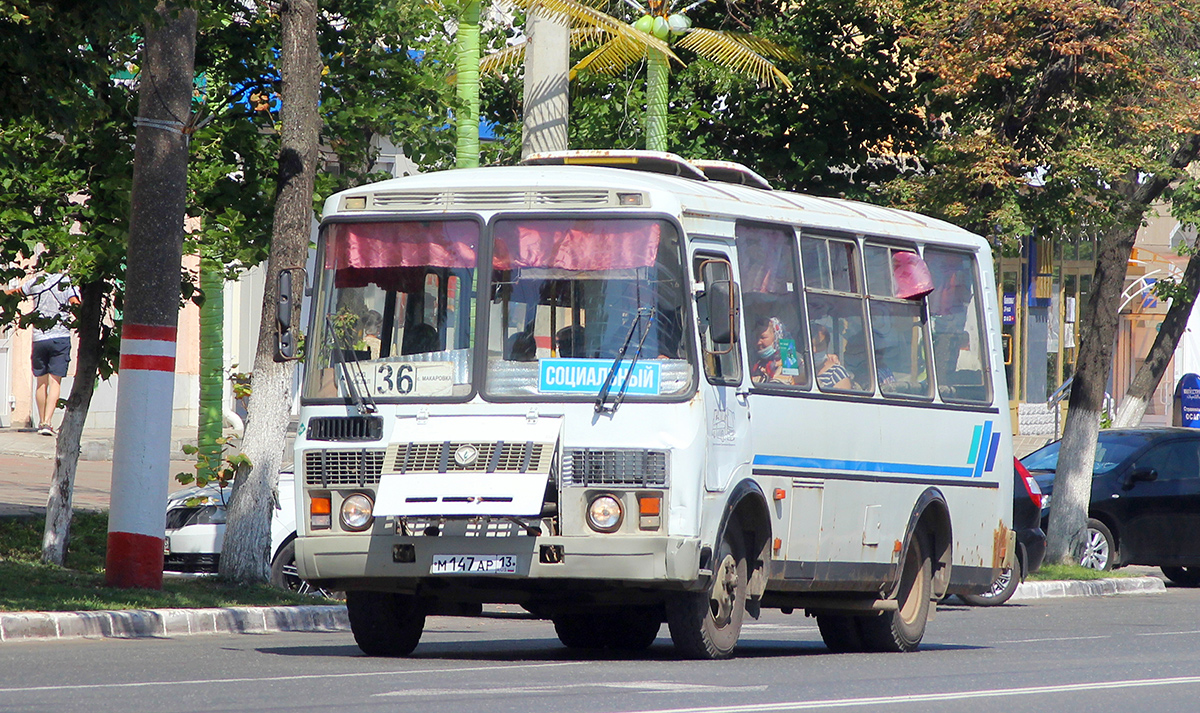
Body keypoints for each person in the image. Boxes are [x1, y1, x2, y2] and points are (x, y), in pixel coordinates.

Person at [12, 272, 80, 435]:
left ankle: (42, 421)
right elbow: (75, 304)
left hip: (39, 338)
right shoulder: (66, 281)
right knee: (55, 381)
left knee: (41, 382)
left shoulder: (36, 281)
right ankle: (47, 422)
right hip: (60, 337)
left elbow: (17, 293)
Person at [750, 316, 801, 385]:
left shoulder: (792, 359)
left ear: (777, 337)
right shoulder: (757, 363)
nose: (758, 342)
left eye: (763, 337)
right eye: (757, 337)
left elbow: (788, 385)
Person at [810, 322, 853, 391]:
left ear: (827, 345)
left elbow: (845, 400)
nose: (814, 350)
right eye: (810, 346)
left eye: (819, 345)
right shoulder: (799, 368)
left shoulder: (837, 373)